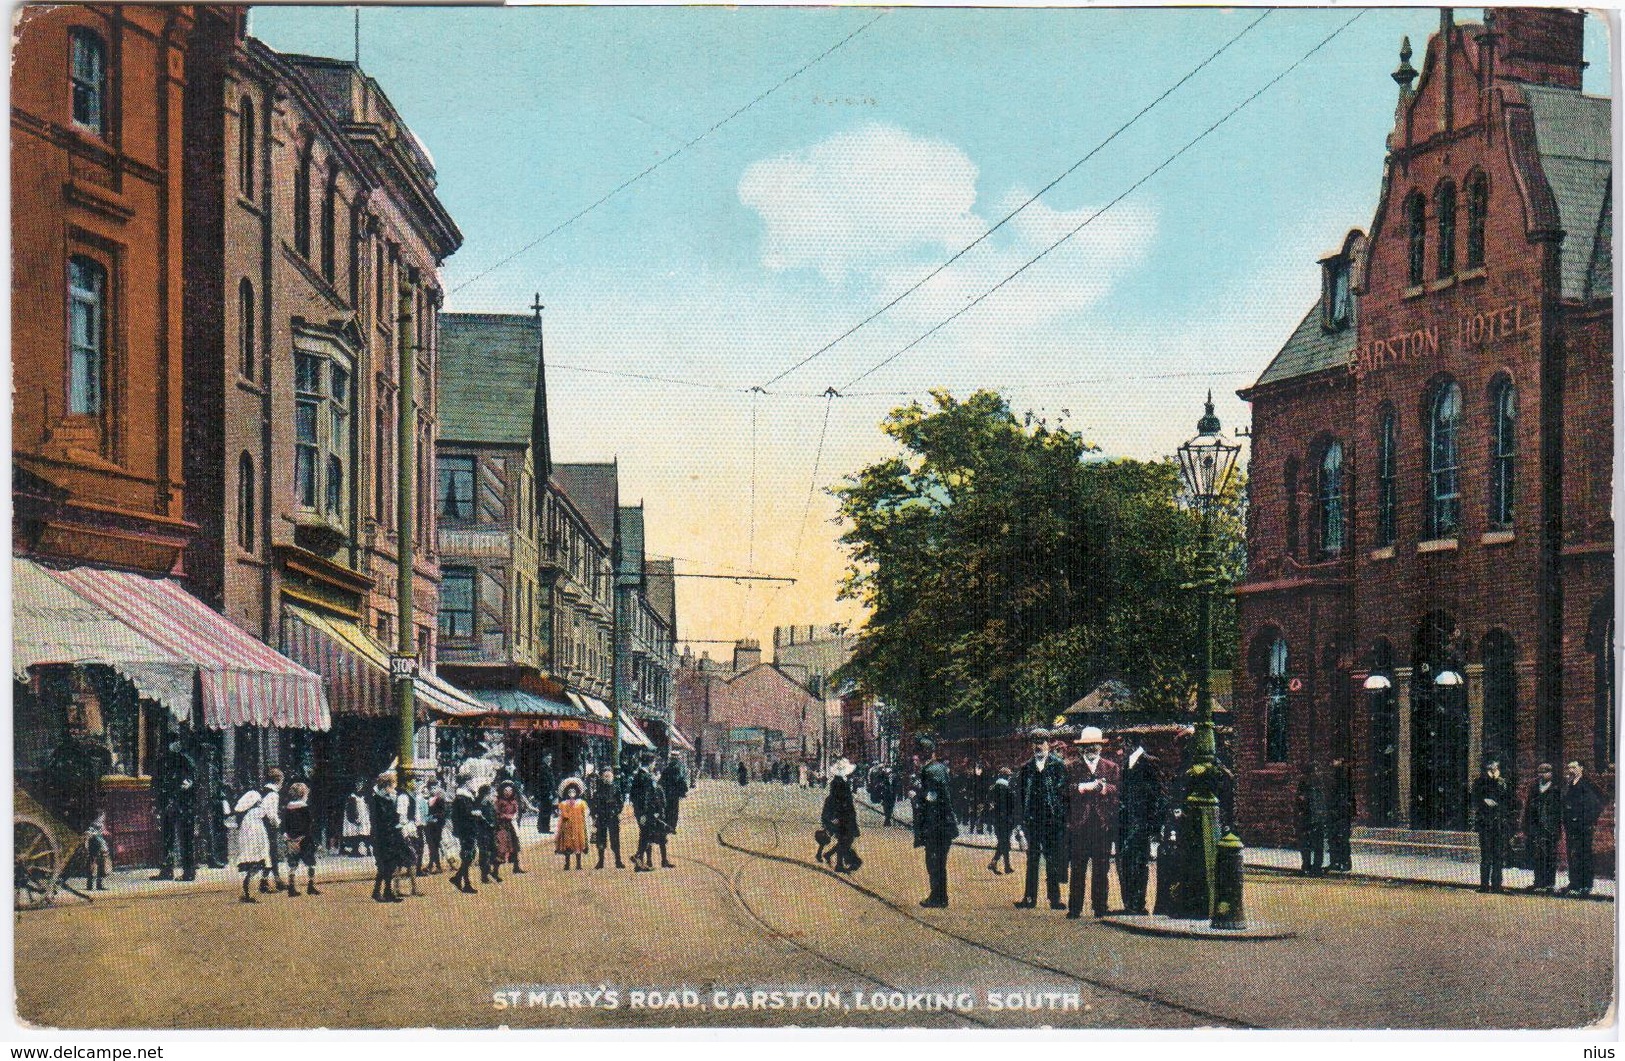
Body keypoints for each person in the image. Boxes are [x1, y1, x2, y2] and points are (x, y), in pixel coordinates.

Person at [1066, 727, 1120, 918]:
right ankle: (1074, 908)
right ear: (1082, 748)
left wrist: (1105, 788)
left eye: (1095, 745)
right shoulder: (1072, 767)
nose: (1092, 749)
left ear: (1101, 746)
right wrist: (1081, 787)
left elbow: (1117, 791)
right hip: (1080, 824)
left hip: (1102, 824)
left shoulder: (1111, 767)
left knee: (1101, 868)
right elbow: (1064, 791)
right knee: (1078, 868)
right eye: (1088, 746)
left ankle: (1100, 907)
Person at [1014, 727, 1070, 911]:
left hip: (1052, 820)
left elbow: (1064, 794)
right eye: (1035, 743)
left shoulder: (1058, 765)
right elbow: (1020, 797)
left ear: (1048, 743)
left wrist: (1062, 818)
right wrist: (1020, 822)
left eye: (1041, 742)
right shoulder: (1026, 768)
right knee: (1032, 859)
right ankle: (1029, 897)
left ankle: (1054, 898)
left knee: (1052, 859)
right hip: (1032, 820)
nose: (1038, 746)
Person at [1116, 735, 1162, 915]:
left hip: (1141, 823)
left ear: (1130, 743)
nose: (1121, 748)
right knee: (1126, 862)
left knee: (1138, 863)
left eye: (1123, 744)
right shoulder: (1126, 763)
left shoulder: (1149, 762)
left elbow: (1158, 795)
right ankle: (1129, 904)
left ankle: (1138, 904)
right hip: (1125, 822)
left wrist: (1154, 825)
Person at [912, 738, 957, 908]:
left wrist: (916, 796)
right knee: (939, 862)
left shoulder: (930, 771)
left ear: (925, 753)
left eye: (919, 752)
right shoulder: (940, 768)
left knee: (933, 862)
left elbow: (932, 798)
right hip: (944, 824)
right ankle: (941, 896)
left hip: (936, 825)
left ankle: (936, 897)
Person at [150, 739, 198, 882]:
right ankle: (176, 870)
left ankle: (180, 871)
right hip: (176, 805)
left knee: (177, 839)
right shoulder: (182, 761)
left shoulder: (181, 761)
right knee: (174, 839)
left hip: (178, 804)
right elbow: (156, 783)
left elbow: (193, 781)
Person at [1559, 759, 1605, 897]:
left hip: (1583, 827)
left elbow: (1596, 804)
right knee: (1572, 855)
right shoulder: (1569, 784)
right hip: (1571, 827)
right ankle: (1574, 883)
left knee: (1583, 855)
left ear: (1581, 768)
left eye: (1574, 767)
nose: (1570, 770)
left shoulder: (1587, 785)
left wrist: (1586, 820)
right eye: (1569, 767)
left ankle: (1585, 885)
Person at [1471, 757, 1514, 893]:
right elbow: (1475, 799)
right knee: (1486, 855)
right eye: (1490, 763)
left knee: (1498, 855)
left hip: (1500, 823)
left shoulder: (1504, 781)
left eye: (1495, 763)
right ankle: (1484, 885)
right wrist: (1484, 801)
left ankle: (1497, 885)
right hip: (1486, 823)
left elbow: (1510, 801)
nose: (1493, 766)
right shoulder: (1480, 781)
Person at [232, 780, 278, 903]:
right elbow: (271, 815)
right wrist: (277, 824)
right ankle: (250, 890)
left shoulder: (252, 797)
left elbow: (238, 808)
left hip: (247, 828)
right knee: (260, 857)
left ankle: (247, 890)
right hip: (256, 828)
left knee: (255, 857)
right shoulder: (268, 796)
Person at [1521, 762, 1562, 893]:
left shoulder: (1556, 788)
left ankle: (1549, 883)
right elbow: (1528, 807)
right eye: (1540, 772)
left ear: (1550, 774)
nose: (1542, 775)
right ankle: (1538, 882)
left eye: (1545, 772)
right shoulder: (1534, 788)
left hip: (1550, 827)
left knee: (1550, 856)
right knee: (1537, 855)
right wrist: (1526, 825)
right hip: (1536, 827)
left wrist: (1556, 826)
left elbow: (1559, 810)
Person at [369, 772, 407, 902]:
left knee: (390, 864)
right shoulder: (378, 799)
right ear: (387, 785)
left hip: (390, 835)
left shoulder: (388, 798)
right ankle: (380, 891)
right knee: (384, 864)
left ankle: (386, 891)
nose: (394, 787)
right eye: (392, 784)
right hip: (382, 836)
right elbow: (383, 819)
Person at [822, 757, 862, 872]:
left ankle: (831, 857)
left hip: (845, 815)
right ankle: (841, 863)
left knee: (844, 840)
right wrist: (834, 817)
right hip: (842, 816)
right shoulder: (838, 783)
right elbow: (835, 800)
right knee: (846, 839)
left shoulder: (841, 781)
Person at [281, 781, 320, 897]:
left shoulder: (288, 808)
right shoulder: (305, 808)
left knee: (293, 864)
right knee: (311, 863)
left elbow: (284, 825)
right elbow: (309, 825)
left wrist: (288, 837)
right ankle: (311, 885)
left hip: (291, 839)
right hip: (305, 839)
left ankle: (291, 887)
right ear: (304, 794)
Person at [448, 767, 481, 893]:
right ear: (466, 782)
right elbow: (464, 814)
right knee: (468, 855)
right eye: (470, 781)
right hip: (466, 830)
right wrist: (475, 813)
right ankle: (463, 882)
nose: (472, 783)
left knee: (469, 855)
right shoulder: (462, 797)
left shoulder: (466, 796)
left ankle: (459, 879)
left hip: (468, 829)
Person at [590, 767, 627, 869]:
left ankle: (618, 861)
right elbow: (594, 802)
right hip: (602, 817)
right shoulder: (599, 789)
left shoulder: (616, 788)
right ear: (602, 777)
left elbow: (620, 801)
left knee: (615, 839)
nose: (607, 778)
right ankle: (601, 861)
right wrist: (594, 814)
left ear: (612, 777)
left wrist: (617, 811)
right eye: (605, 776)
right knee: (601, 839)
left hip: (612, 817)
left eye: (609, 776)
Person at [1295, 762, 1327, 877]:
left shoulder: (1310, 784)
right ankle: (1312, 867)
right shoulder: (1315, 783)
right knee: (1313, 845)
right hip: (1312, 817)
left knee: (1309, 844)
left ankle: (1311, 867)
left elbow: (1303, 800)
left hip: (1311, 817)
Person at [257, 768, 286, 894]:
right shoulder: (273, 794)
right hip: (268, 827)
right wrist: (280, 826)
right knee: (271, 854)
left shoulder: (263, 791)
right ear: (278, 780)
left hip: (259, 825)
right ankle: (266, 882)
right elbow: (272, 815)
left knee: (269, 854)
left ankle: (276, 880)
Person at [633, 782, 672, 871]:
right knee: (648, 839)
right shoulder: (649, 789)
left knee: (657, 839)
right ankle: (647, 861)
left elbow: (663, 803)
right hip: (650, 818)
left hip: (655, 817)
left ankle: (660, 861)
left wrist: (657, 813)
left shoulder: (656, 789)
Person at [1326, 756, 1354, 872]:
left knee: (1341, 838)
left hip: (1341, 813)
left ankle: (1344, 862)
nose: (1333, 762)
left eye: (1335, 760)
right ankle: (1335, 862)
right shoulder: (1336, 778)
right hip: (1335, 812)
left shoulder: (1343, 779)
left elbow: (1346, 798)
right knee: (1333, 838)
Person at [556, 778, 589, 869]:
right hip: (567, 826)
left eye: (573, 791)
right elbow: (561, 813)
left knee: (578, 843)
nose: (572, 793)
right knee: (568, 843)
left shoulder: (581, 803)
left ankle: (578, 864)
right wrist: (565, 816)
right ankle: (567, 864)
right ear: (567, 792)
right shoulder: (563, 803)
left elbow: (586, 812)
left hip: (578, 826)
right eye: (570, 791)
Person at [988, 767, 1016, 874]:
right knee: (1004, 843)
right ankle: (995, 862)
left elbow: (988, 804)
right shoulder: (1008, 790)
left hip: (996, 819)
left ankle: (1006, 866)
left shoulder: (992, 788)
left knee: (1003, 842)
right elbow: (1013, 806)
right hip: (1007, 820)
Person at [495, 780, 525, 875]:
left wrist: (514, 816)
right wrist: (505, 816)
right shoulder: (499, 802)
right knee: (502, 848)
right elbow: (496, 813)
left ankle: (516, 867)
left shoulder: (514, 801)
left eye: (510, 790)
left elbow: (516, 812)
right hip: (502, 826)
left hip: (512, 826)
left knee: (515, 846)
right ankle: (495, 871)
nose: (508, 792)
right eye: (506, 790)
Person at [476, 781, 502, 884]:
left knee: (493, 852)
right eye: (491, 791)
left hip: (490, 831)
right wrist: (490, 824)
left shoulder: (488, 803)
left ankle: (492, 873)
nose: (494, 793)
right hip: (484, 832)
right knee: (485, 853)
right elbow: (482, 819)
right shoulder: (484, 803)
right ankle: (486, 875)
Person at [659, 757, 690, 834]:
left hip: (666, 794)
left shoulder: (666, 769)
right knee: (674, 811)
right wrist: (684, 791)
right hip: (674, 794)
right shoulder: (677, 769)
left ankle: (667, 826)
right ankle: (672, 827)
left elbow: (661, 781)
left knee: (667, 810)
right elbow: (681, 780)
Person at [342, 779, 372, 857]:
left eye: (361, 784)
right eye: (357, 784)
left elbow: (367, 805)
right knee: (355, 833)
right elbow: (351, 808)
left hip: (363, 815)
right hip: (355, 815)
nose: (359, 786)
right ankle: (355, 850)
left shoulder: (364, 794)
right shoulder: (352, 795)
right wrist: (355, 818)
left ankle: (367, 849)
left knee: (365, 833)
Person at [424, 778, 448, 874]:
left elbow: (443, 812)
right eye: (431, 787)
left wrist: (434, 816)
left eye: (433, 787)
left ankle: (436, 866)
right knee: (432, 845)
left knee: (434, 845)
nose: (432, 789)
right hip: (431, 823)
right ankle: (432, 865)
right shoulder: (431, 797)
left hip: (437, 824)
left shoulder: (439, 798)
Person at [82, 810, 110, 891]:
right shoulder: (94, 824)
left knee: (98, 864)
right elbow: (89, 833)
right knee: (94, 864)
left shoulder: (98, 824)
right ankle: (93, 885)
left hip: (97, 843)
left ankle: (94, 885)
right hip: (95, 844)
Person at [535, 753, 557, 835]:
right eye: (547, 758)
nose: (549, 760)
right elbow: (544, 782)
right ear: (544, 758)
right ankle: (543, 828)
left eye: (550, 758)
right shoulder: (543, 768)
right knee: (544, 810)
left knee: (547, 810)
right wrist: (549, 792)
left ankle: (545, 827)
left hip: (548, 792)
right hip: (545, 793)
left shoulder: (548, 768)